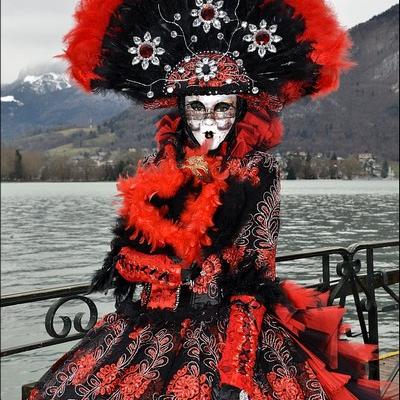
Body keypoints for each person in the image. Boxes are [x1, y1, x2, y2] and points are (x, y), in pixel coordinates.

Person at [29, 0, 382, 399]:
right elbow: (129, 254)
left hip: (230, 323)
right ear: (180, 109)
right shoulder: (155, 163)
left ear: (240, 109)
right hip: (149, 323)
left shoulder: (256, 169)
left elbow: (255, 269)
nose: (209, 123)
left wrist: (234, 368)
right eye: (197, 107)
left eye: (222, 108)